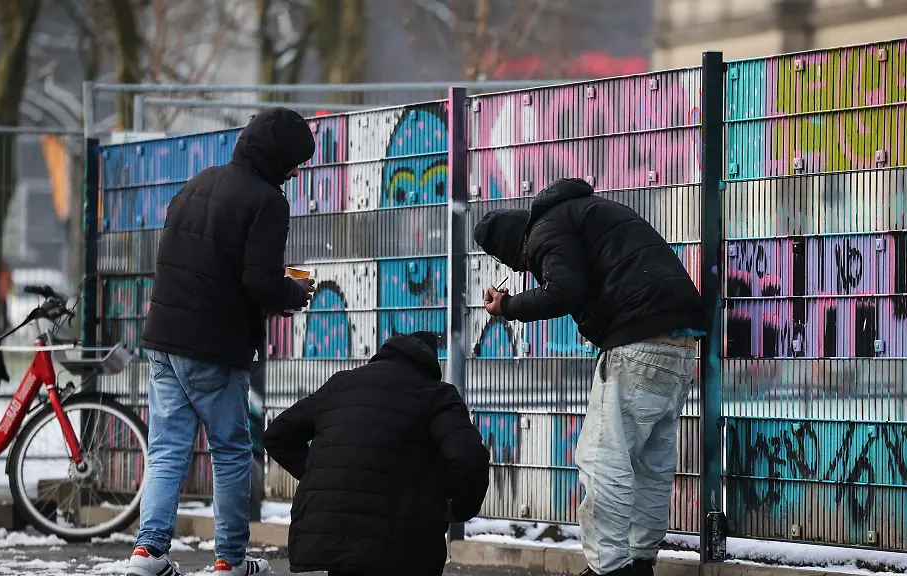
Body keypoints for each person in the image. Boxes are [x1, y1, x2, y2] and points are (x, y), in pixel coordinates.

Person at [473, 177, 706, 576]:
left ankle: (612, 569)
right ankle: (639, 560)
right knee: (652, 460)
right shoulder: (589, 211)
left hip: (638, 339)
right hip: (680, 341)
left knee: (603, 459)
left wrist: (507, 305)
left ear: (518, 246)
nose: (529, 269)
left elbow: (565, 290)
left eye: (523, 265)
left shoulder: (546, 230)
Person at [127, 108, 318, 576]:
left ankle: (148, 552)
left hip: (164, 336)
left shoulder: (196, 183)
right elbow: (260, 283)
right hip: (214, 345)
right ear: (277, 159)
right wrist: (297, 293)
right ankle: (230, 560)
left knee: (168, 448)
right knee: (230, 450)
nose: (295, 173)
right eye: (295, 163)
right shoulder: (268, 202)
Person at [263, 331, 490, 576]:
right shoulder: (436, 395)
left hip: (336, 533)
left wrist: (322, 475)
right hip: (404, 542)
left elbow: (277, 435)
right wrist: (461, 508)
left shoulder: (341, 384)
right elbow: (469, 457)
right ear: (430, 362)